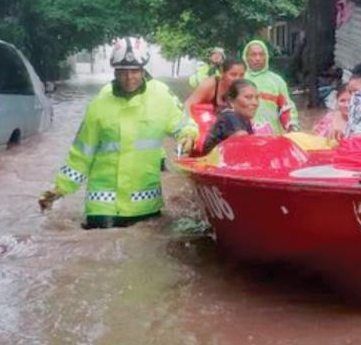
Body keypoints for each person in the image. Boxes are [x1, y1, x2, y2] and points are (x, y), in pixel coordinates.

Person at [38, 37, 198, 229]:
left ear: (143, 70)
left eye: (135, 71)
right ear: (115, 72)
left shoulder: (162, 96)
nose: (129, 78)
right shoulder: (100, 104)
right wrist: (60, 189)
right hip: (102, 206)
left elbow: (183, 124)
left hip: (145, 202)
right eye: (123, 72)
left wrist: (187, 136)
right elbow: (81, 153)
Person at [241, 40, 300, 135]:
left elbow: (286, 108)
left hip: (271, 137)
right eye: (253, 55)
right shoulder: (239, 79)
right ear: (246, 57)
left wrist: (291, 127)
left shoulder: (277, 81)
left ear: (266, 57)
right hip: (244, 137)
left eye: (261, 54)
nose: (258, 58)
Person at [201, 79, 259, 154]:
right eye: (248, 97)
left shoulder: (244, 119)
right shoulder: (230, 116)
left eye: (257, 98)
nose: (255, 103)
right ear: (232, 102)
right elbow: (244, 142)